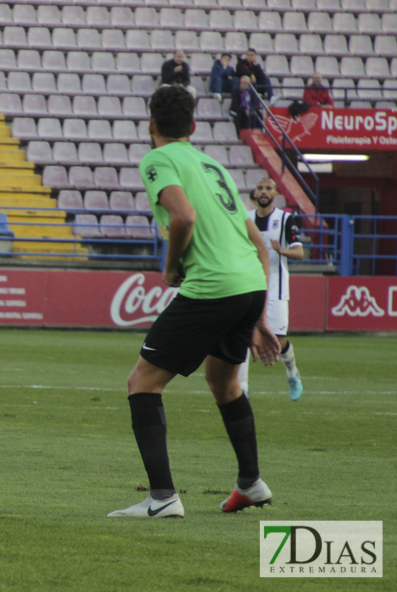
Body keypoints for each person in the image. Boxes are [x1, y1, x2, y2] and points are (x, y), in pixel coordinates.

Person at [107, 86, 280, 519]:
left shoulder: (158, 159)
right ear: (195, 127)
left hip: (213, 286)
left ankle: (162, 497)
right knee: (224, 384)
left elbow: (183, 216)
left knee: (142, 383)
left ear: (151, 126)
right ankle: (250, 483)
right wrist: (256, 315)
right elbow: (258, 244)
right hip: (247, 283)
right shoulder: (213, 165)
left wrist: (170, 269)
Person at [238, 178, 305, 401]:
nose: (263, 191)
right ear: (254, 193)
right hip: (248, 284)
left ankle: (292, 373)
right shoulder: (244, 218)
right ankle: (243, 389)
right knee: (244, 334)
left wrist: (280, 251)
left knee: (279, 340)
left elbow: (299, 253)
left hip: (275, 287)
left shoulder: (285, 219)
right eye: (260, 188)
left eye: (268, 188)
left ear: (275, 193)